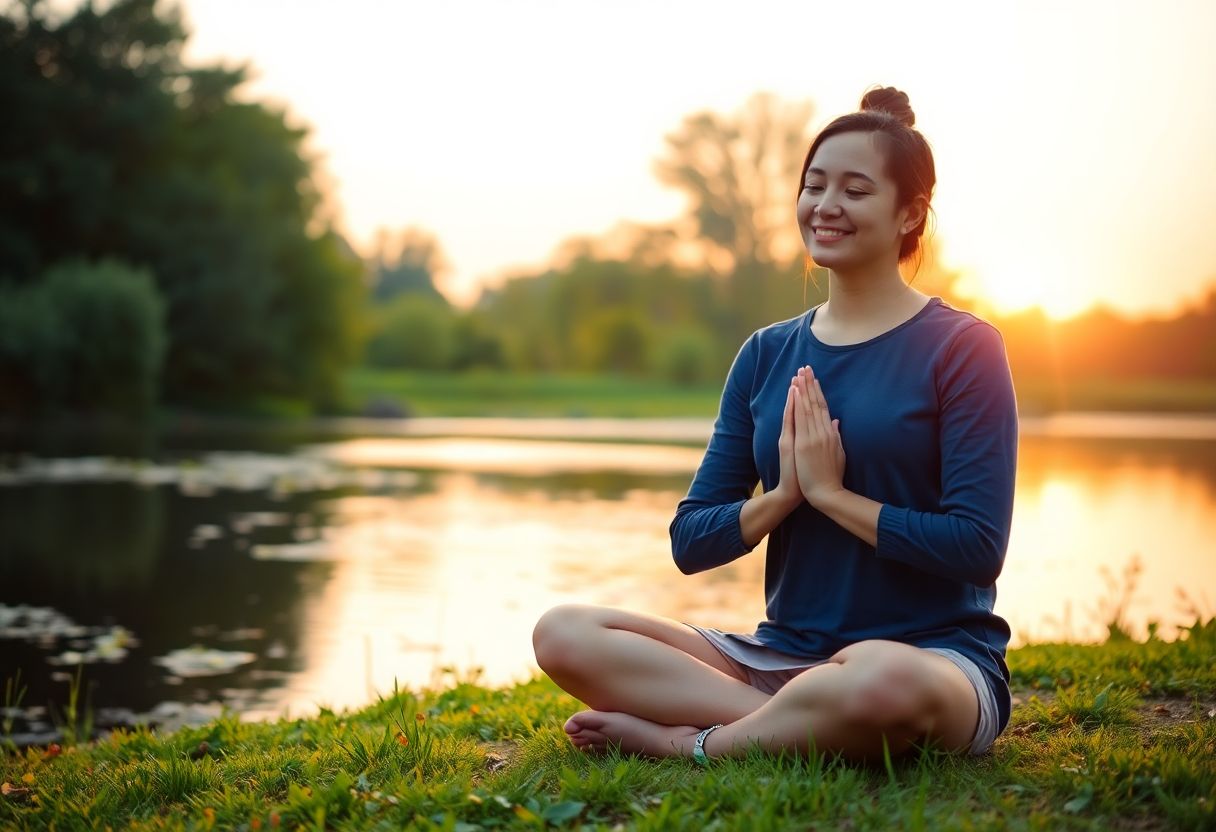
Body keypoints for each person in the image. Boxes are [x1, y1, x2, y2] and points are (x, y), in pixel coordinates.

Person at [531, 86, 1018, 765]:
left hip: (930, 660)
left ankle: (695, 743)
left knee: (879, 678)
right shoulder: (766, 353)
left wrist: (834, 498)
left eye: (854, 190)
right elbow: (691, 541)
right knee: (564, 633)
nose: (825, 206)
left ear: (910, 213)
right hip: (780, 652)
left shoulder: (964, 347)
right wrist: (783, 496)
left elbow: (976, 547)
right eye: (814, 186)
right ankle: (801, 722)